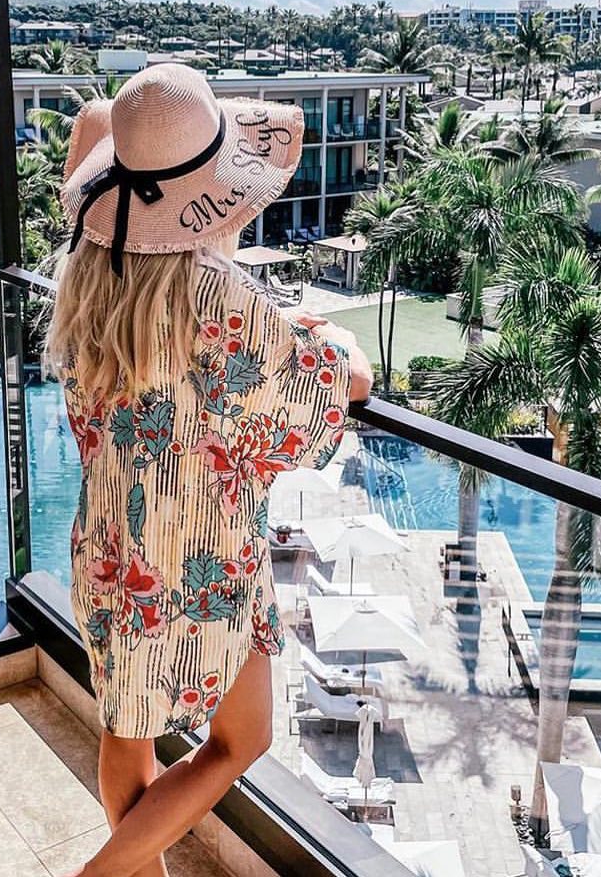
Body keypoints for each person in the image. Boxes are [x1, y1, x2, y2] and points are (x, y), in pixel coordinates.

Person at [45, 64, 373, 877]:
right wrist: (329, 337)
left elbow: (95, 126)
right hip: (208, 557)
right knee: (242, 739)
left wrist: (131, 139)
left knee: (127, 732)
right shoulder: (224, 297)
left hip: (113, 548)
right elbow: (334, 388)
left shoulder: (85, 273)